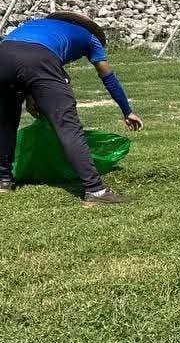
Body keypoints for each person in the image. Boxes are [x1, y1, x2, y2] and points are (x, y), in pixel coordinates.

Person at [0, 12, 143, 205]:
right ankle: (96, 191)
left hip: (4, 53)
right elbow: (107, 76)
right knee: (67, 125)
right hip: (40, 59)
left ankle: (3, 180)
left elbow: (20, 58)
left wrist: (30, 94)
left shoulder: (37, 25)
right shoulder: (90, 37)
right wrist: (127, 110)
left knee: (5, 121)